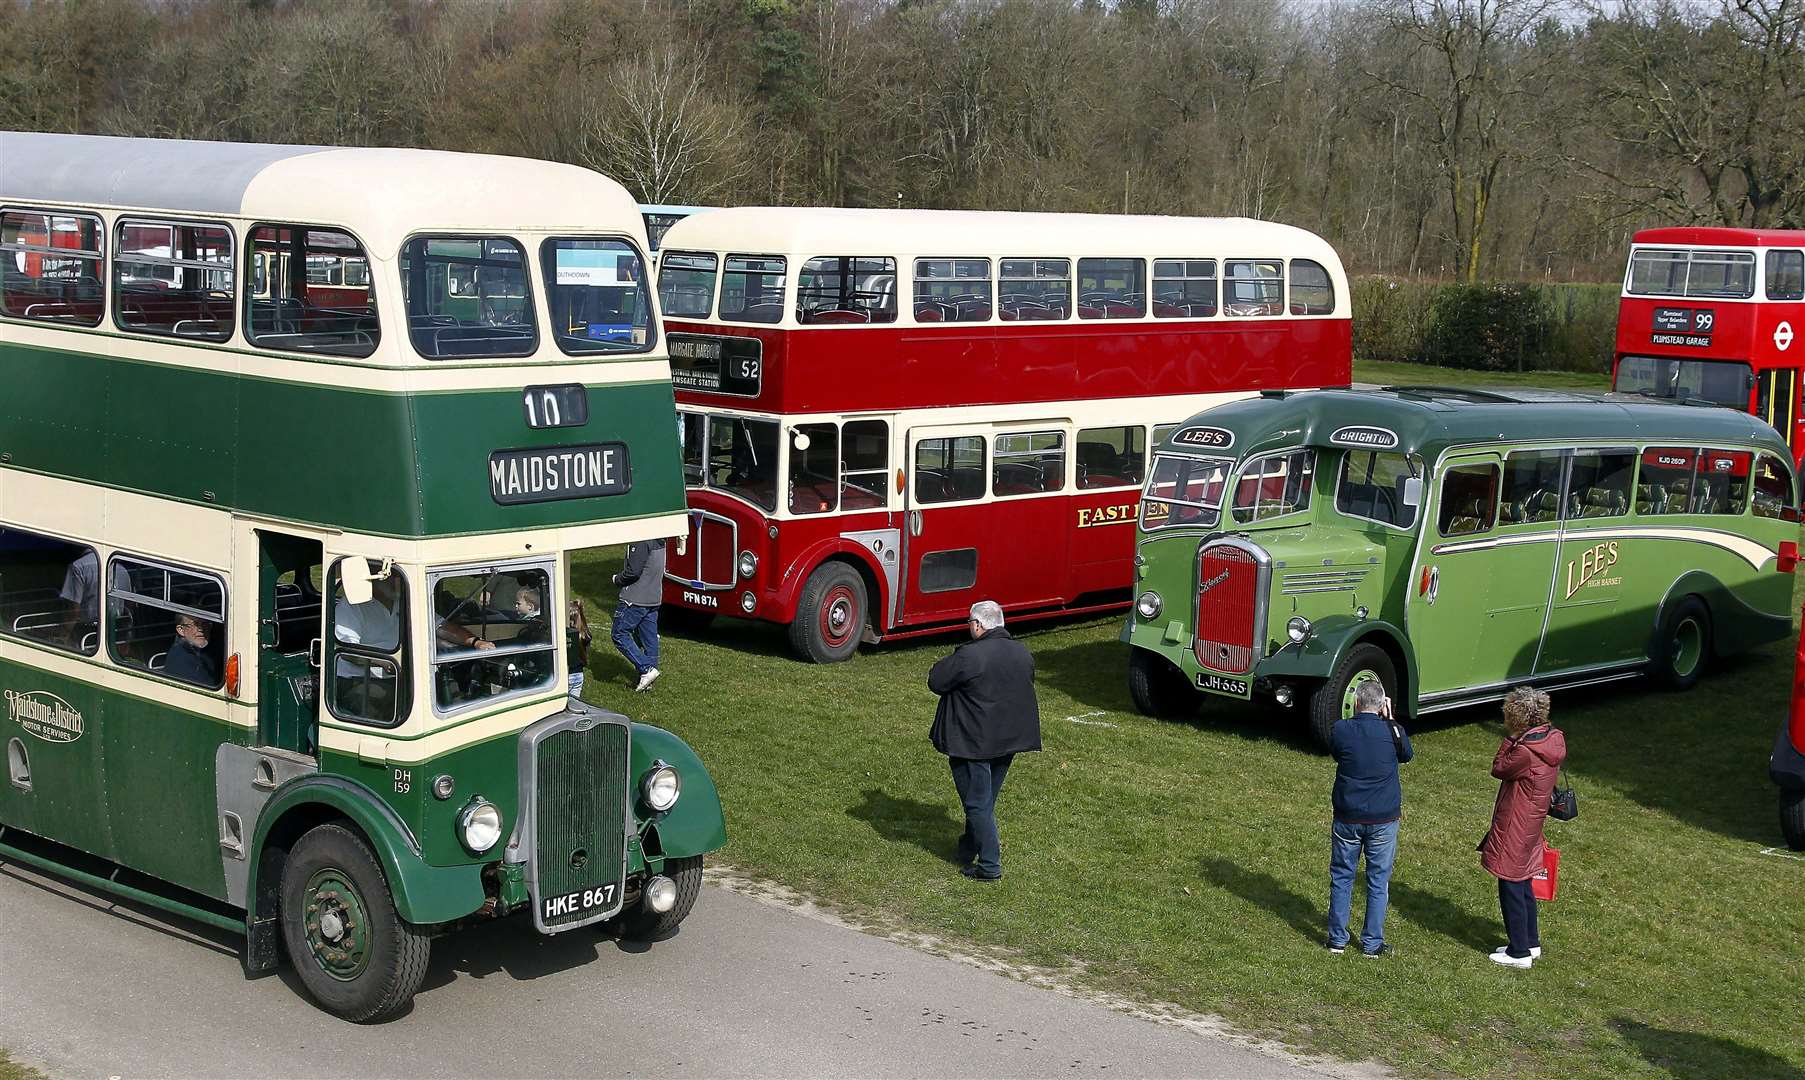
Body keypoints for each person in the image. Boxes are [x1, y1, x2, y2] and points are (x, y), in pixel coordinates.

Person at [928, 601, 1041, 882]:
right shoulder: (1022, 653)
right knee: (984, 800)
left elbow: (936, 680)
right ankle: (967, 848)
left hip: (974, 741)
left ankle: (990, 866)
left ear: (978, 625)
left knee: (977, 803)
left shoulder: (971, 656)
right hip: (1009, 739)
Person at [1325, 678, 1413, 957]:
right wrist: (1390, 719)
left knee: (1342, 876)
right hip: (1383, 819)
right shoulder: (1392, 731)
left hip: (1347, 816)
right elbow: (1406, 754)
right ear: (1381, 705)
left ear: (1357, 703)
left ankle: (1337, 940)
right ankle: (1372, 944)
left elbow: (1338, 751)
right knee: (1377, 880)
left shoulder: (1342, 729)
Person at [1481, 686, 1566, 969]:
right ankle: (1531, 941)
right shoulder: (1550, 739)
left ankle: (1519, 953)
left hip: (1516, 823)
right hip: (1532, 823)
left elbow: (1499, 768)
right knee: (1525, 881)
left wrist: (1509, 740)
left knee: (1511, 883)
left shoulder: (1526, 751)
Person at [611, 538, 666, 691]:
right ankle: (648, 681)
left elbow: (633, 572)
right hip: (653, 598)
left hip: (635, 599)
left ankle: (647, 670)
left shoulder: (641, 540)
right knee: (650, 639)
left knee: (619, 634)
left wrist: (617, 579)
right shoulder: (660, 539)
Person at [162, 613, 219, 687]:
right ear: (181, 630)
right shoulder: (179, 658)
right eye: (195, 624)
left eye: (205, 623)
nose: (201, 629)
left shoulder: (210, 651)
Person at [567, 597, 593, 699]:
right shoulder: (585, 635)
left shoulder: (566, 637)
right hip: (578, 675)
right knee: (574, 705)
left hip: (567, 675)